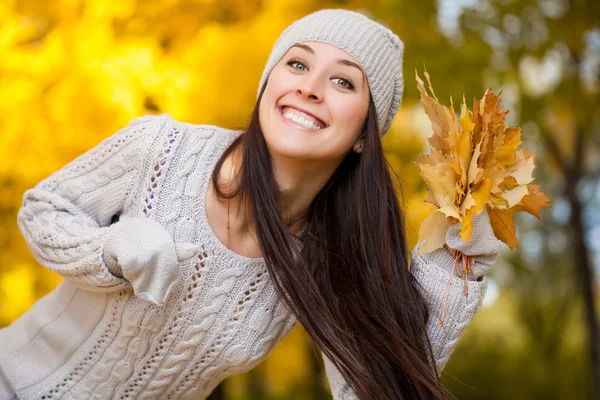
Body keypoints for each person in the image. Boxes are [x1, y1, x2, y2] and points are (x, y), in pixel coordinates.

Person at [0, 8, 501, 400]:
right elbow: (42, 210)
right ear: (269, 84)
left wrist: (457, 270)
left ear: (363, 137)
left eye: (343, 81)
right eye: (298, 63)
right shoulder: (163, 150)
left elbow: (379, 387)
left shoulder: (328, 260)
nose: (309, 86)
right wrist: (111, 251)